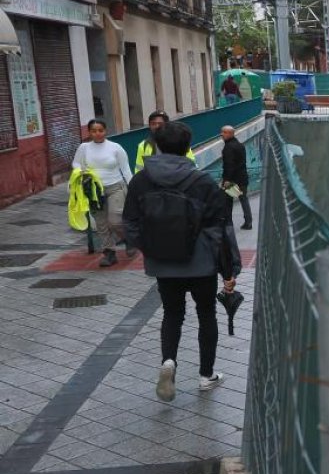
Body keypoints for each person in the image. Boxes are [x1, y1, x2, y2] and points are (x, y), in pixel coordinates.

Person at [123, 121, 242, 400]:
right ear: (188, 147)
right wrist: (229, 269)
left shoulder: (141, 180)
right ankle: (206, 375)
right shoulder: (201, 181)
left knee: (172, 314)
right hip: (200, 262)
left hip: (164, 263)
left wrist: (152, 246)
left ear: (156, 145)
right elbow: (220, 229)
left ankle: (169, 362)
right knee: (206, 314)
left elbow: (129, 223)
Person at [72, 119, 133, 267]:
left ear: (105, 131)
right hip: (93, 190)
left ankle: (129, 239)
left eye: (100, 130)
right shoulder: (84, 148)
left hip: (115, 187)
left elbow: (125, 168)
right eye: (94, 131)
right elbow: (76, 163)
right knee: (101, 223)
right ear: (89, 132)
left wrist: (132, 187)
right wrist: (81, 171)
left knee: (115, 220)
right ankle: (109, 253)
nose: (97, 134)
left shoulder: (115, 147)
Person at [220, 125, 252, 230]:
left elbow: (229, 165)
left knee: (227, 201)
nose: (221, 134)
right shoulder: (240, 145)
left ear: (231, 133)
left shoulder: (228, 147)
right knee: (243, 199)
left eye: (224, 132)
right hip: (242, 178)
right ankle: (248, 222)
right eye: (222, 132)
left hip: (232, 181)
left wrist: (227, 180)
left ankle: (228, 223)